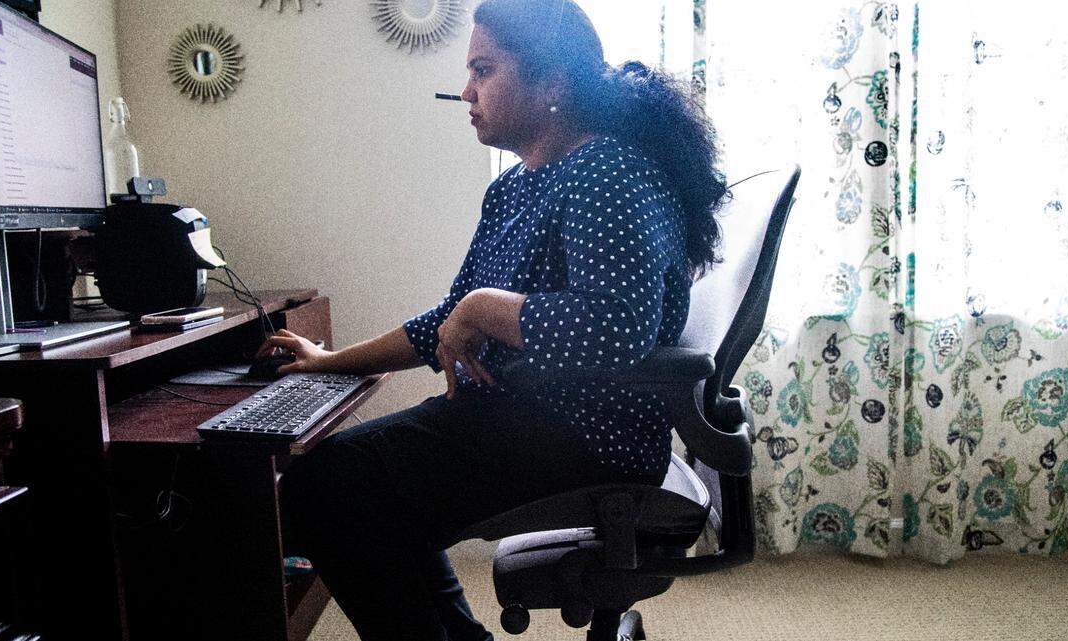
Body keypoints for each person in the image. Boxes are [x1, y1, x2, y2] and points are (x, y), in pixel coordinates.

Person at [263, 0, 729, 638]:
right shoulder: (513, 187)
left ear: (552, 85)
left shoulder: (609, 171)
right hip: (519, 415)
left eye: (484, 69)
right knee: (342, 483)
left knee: (326, 490)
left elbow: (613, 329)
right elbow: (445, 322)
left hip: (589, 431)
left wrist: (483, 307)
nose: (466, 90)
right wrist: (328, 362)